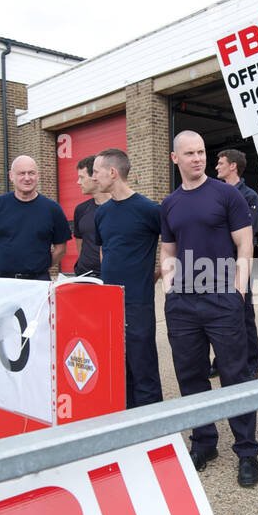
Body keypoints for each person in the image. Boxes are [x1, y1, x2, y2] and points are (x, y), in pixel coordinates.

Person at [160, 130, 258, 487]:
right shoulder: (170, 203)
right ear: (176, 159)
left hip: (222, 298)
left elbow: (244, 244)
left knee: (236, 375)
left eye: (202, 151)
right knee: (191, 376)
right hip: (183, 303)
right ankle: (204, 443)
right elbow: (168, 251)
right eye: (189, 153)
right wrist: (170, 291)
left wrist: (238, 292)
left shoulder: (227, 195)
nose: (198, 158)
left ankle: (247, 451)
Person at [92, 148, 163, 408]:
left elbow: (171, 246)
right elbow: (105, 252)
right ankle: (127, 424)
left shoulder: (149, 210)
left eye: (96, 171)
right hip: (109, 302)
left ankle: (152, 427)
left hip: (137, 302)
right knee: (116, 367)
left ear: (113, 172)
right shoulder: (102, 212)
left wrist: (157, 273)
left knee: (142, 365)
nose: (93, 177)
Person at [0, 155, 71, 279]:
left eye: (31, 173)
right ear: (11, 176)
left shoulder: (53, 209)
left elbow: (61, 249)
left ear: (38, 175)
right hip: (3, 282)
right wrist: (5, 265)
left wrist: (39, 267)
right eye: (21, 173)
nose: (27, 178)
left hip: (38, 283)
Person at [213, 148, 258, 380]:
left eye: (220, 163)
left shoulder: (249, 196)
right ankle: (220, 360)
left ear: (233, 166)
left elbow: (247, 234)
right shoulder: (214, 193)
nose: (216, 167)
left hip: (238, 262)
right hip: (214, 264)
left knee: (243, 314)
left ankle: (252, 362)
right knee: (217, 315)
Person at [72, 155, 107, 277]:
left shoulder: (119, 208)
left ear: (95, 177)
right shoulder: (81, 210)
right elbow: (80, 244)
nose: (78, 182)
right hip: (84, 277)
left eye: (81, 177)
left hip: (109, 278)